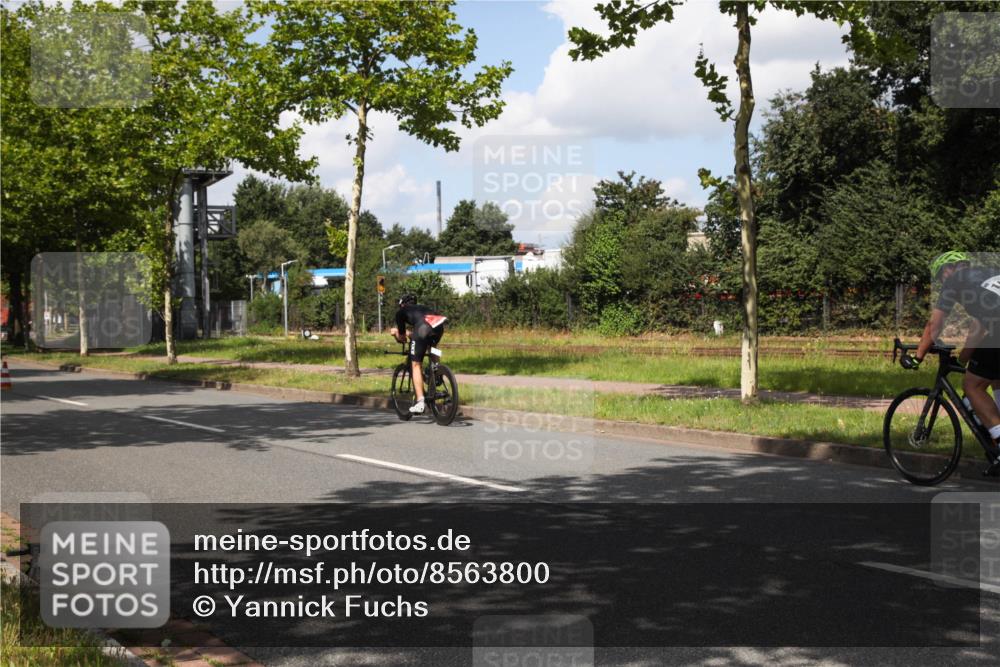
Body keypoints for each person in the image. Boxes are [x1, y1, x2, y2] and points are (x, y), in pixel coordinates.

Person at [911, 251, 1000, 451]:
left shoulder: (954, 281)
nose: (941, 282)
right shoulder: (988, 273)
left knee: (972, 386)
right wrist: (962, 359)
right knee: (994, 377)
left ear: (948, 269)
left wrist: (917, 357)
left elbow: (935, 324)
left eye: (940, 277)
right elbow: (978, 327)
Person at [389, 294, 447, 414]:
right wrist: (412, 334)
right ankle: (436, 371)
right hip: (438, 324)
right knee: (432, 347)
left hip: (423, 327)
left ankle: (420, 402)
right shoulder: (422, 308)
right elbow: (419, 332)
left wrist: (395, 333)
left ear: (402, 305)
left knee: (416, 364)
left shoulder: (401, 312)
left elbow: (402, 338)